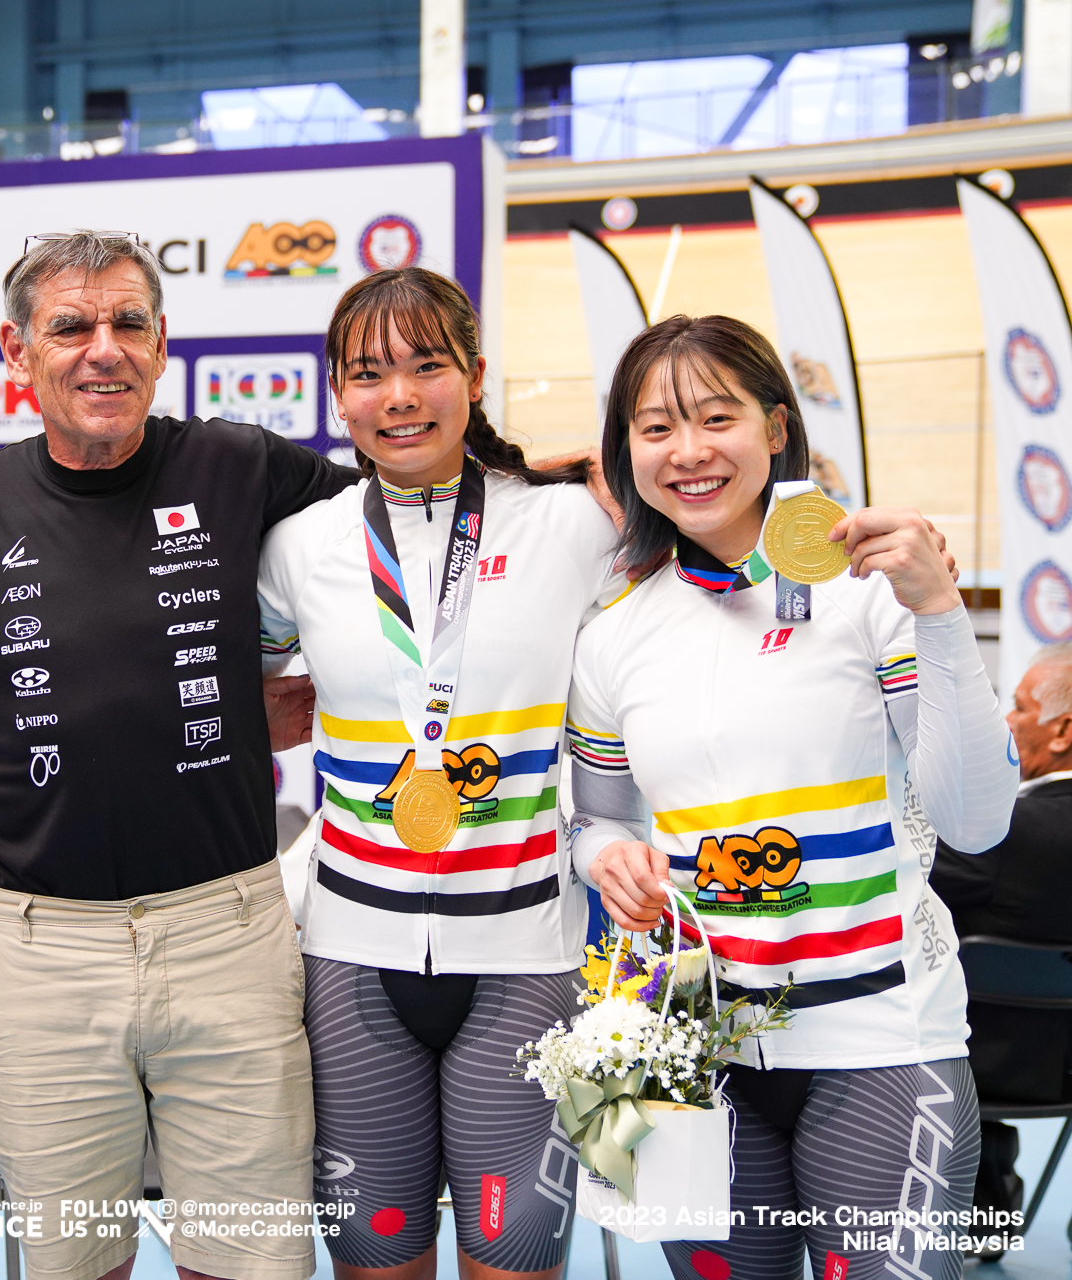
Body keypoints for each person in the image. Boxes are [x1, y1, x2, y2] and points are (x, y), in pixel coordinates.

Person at [0, 230, 356, 1280]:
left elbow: (407, 529)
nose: (104, 349)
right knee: (68, 1266)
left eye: (127, 322)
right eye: (70, 326)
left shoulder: (239, 464)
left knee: (252, 1264)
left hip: (225, 930)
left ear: (162, 340)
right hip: (44, 951)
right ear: (16, 350)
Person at [567, 315, 1017, 1280]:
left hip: (879, 1035)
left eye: (715, 418)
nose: (688, 451)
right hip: (686, 1043)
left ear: (776, 428)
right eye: (654, 428)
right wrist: (608, 859)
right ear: (626, 452)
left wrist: (940, 610)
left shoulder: (876, 591)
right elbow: (597, 818)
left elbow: (978, 818)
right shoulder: (614, 634)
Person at [257, 267, 621, 1280]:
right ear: (337, 393)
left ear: (475, 374)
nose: (400, 396)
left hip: (524, 957)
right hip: (348, 957)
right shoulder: (299, 545)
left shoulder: (572, 524)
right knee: (375, 1263)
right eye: (368, 374)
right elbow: (243, 701)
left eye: (427, 365)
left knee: (510, 1257)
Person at [930, 643, 1072, 1248]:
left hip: (978, 1066)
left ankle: (984, 1196)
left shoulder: (997, 834)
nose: (1006, 722)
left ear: (1063, 731)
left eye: (1016, 707)